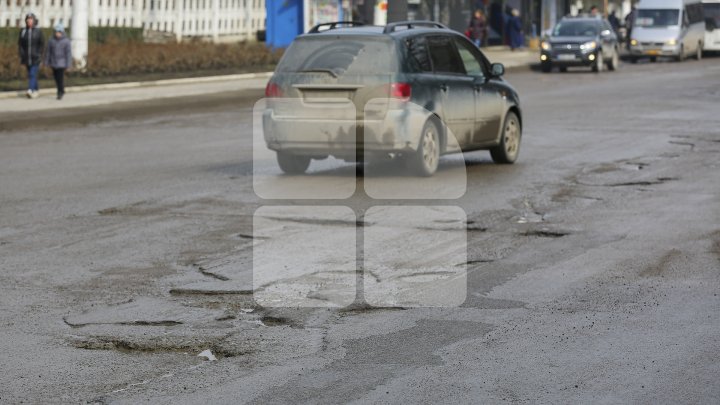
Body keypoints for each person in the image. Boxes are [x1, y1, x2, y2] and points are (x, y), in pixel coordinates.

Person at [18, 12, 45, 99]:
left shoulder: (38, 31)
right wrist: (21, 54)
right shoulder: (23, 31)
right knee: (31, 74)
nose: (29, 21)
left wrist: (40, 55)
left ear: (34, 21)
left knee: (32, 74)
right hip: (26, 57)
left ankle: (30, 89)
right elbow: (20, 44)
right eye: (28, 19)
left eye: (31, 19)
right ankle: (36, 90)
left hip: (35, 57)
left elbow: (42, 44)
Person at [45, 23, 72, 100]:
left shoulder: (66, 41)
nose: (57, 34)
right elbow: (48, 52)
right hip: (53, 62)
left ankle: (60, 92)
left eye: (59, 32)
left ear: (62, 32)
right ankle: (61, 89)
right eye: (56, 32)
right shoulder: (51, 40)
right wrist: (47, 62)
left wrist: (68, 64)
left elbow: (68, 54)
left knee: (60, 78)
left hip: (62, 63)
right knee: (56, 78)